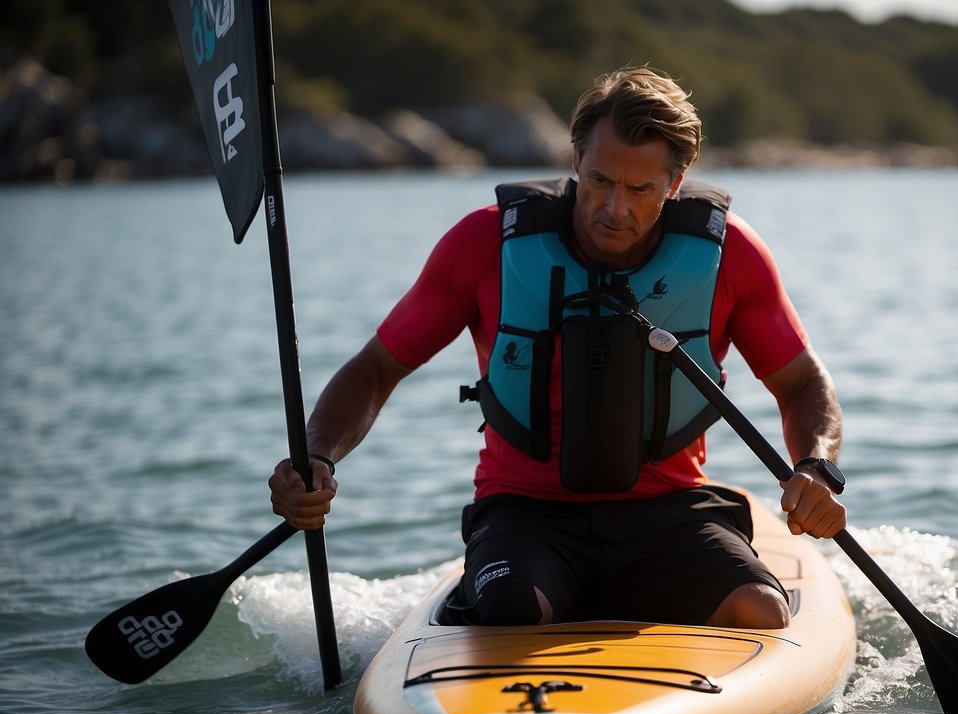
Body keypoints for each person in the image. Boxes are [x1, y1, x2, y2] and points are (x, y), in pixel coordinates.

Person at [269, 67, 845, 629]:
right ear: (575, 162)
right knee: (511, 613)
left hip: (668, 514)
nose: (614, 209)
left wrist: (816, 464)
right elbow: (377, 368)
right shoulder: (484, 244)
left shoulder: (730, 256)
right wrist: (317, 456)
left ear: (675, 183)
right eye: (599, 180)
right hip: (526, 514)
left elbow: (800, 383)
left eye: (640, 189)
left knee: (760, 614)